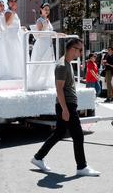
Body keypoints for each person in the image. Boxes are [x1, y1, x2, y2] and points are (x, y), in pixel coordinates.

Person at [31, 38, 100, 177]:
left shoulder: (67, 63)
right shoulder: (62, 65)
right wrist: (65, 109)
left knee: (59, 133)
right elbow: (59, 89)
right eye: (79, 50)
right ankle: (82, 167)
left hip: (68, 104)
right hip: (66, 104)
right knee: (78, 135)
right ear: (72, 49)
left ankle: (38, 158)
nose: (81, 53)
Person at [29, 3, 56, 90]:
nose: (47, 11)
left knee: (48, 64)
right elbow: (38, 34)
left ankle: (46, 83)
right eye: (45, 9)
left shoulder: (48, 20)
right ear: (41, 10)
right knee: (40, 62)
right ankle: (36, 83)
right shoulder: (39, 20)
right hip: (42, 44)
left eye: (48, 9)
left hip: (49, 44)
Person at [0, 0, 25, 80]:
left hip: (16, 36)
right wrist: (13, 12)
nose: (13, 2)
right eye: (11, 0)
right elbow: (8, 23)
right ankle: (12, 75)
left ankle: (17, 75)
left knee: (17, 55)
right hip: (10, 37)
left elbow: (15, 24)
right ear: (8, 2)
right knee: (12, 56)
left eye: (15, 0)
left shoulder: (13, 12)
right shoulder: (8, 12)